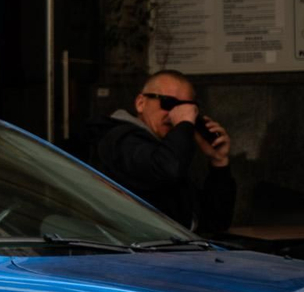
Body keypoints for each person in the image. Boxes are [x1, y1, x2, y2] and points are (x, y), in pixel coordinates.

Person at [86, 69, 234, 235]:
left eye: (185, 108)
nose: (174, 115)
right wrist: (184, 125)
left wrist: (219, 163)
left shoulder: (173, 148)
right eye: (168, 103)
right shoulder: (120, 139)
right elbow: (165, 169)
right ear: (141, 103)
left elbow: (215, 222)